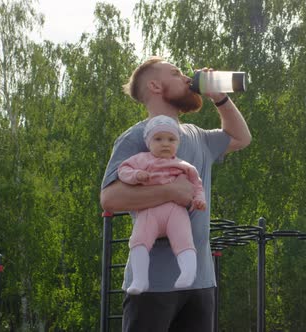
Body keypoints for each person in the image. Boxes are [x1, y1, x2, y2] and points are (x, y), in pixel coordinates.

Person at [100, 56, 251, 331]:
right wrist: (170, 191)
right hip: (153, 285)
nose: (185, 77)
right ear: (156, 86)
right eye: (176, 72)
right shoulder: (137, 137)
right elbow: (110, 198)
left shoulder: (196, 135)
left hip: (201, 282)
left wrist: (220, 98)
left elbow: (242, 138)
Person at [118, 115, 207, 295]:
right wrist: (136, 175)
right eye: (158, 139)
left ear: (178, 143)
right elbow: (123, 170)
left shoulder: (184, 166)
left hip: (176, 212)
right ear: (148, 142)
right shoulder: (141, 159)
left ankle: (188, 273)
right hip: (148, 211)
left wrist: (200, 199)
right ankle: (140, 279)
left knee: (183, 239)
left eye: (171, 139)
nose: (165, 143)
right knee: (138, 240)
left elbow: (197, 185)